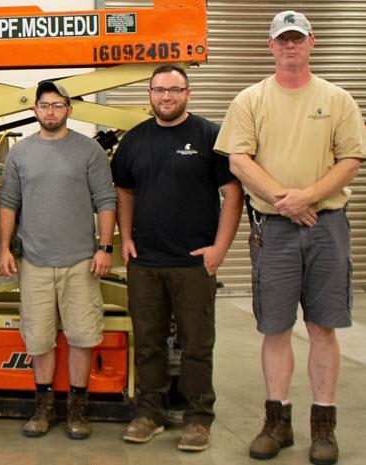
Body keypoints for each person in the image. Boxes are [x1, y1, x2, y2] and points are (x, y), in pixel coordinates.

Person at [215, 11, 365, 465]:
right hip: (274, 229)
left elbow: (351, 159)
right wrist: (287, 200)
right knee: (275, 328)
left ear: (312, 43)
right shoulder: (250, 99)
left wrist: (310, 198)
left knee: (322, 327)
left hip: (327, 227)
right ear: (271, 46)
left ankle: (324, 427)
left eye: (298, 39)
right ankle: (276, 422)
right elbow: (239, 161)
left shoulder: (338, 99)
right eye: (283, 40)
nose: (291, 46)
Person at [112, 65, 242, 451]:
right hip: (146, 262)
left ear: (188, 93)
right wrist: (126, 239)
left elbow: (232, 194)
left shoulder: (210, 136)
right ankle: (149, 412)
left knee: (196, 345)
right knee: (148, 341)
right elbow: (125, 192)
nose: (166, 96)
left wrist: (220, 248)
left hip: (193, 263)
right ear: (149, 94)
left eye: (174, 89)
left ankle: (198, 418)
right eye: (159, 90)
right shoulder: (134, 140)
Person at [0, 80, 116, 440]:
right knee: (39, 339)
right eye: (44, 105)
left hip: (80, 262)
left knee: (81, 337)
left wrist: (105, 247)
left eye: (57, 105)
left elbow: (106, 201)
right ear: (35, 110)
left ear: (69, 110)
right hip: (34, 263)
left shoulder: (89, 152)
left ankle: (78, 410)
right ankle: (43, 408)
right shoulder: (20, 154)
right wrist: (4, 247)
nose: (50, 111)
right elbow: (8, 204)